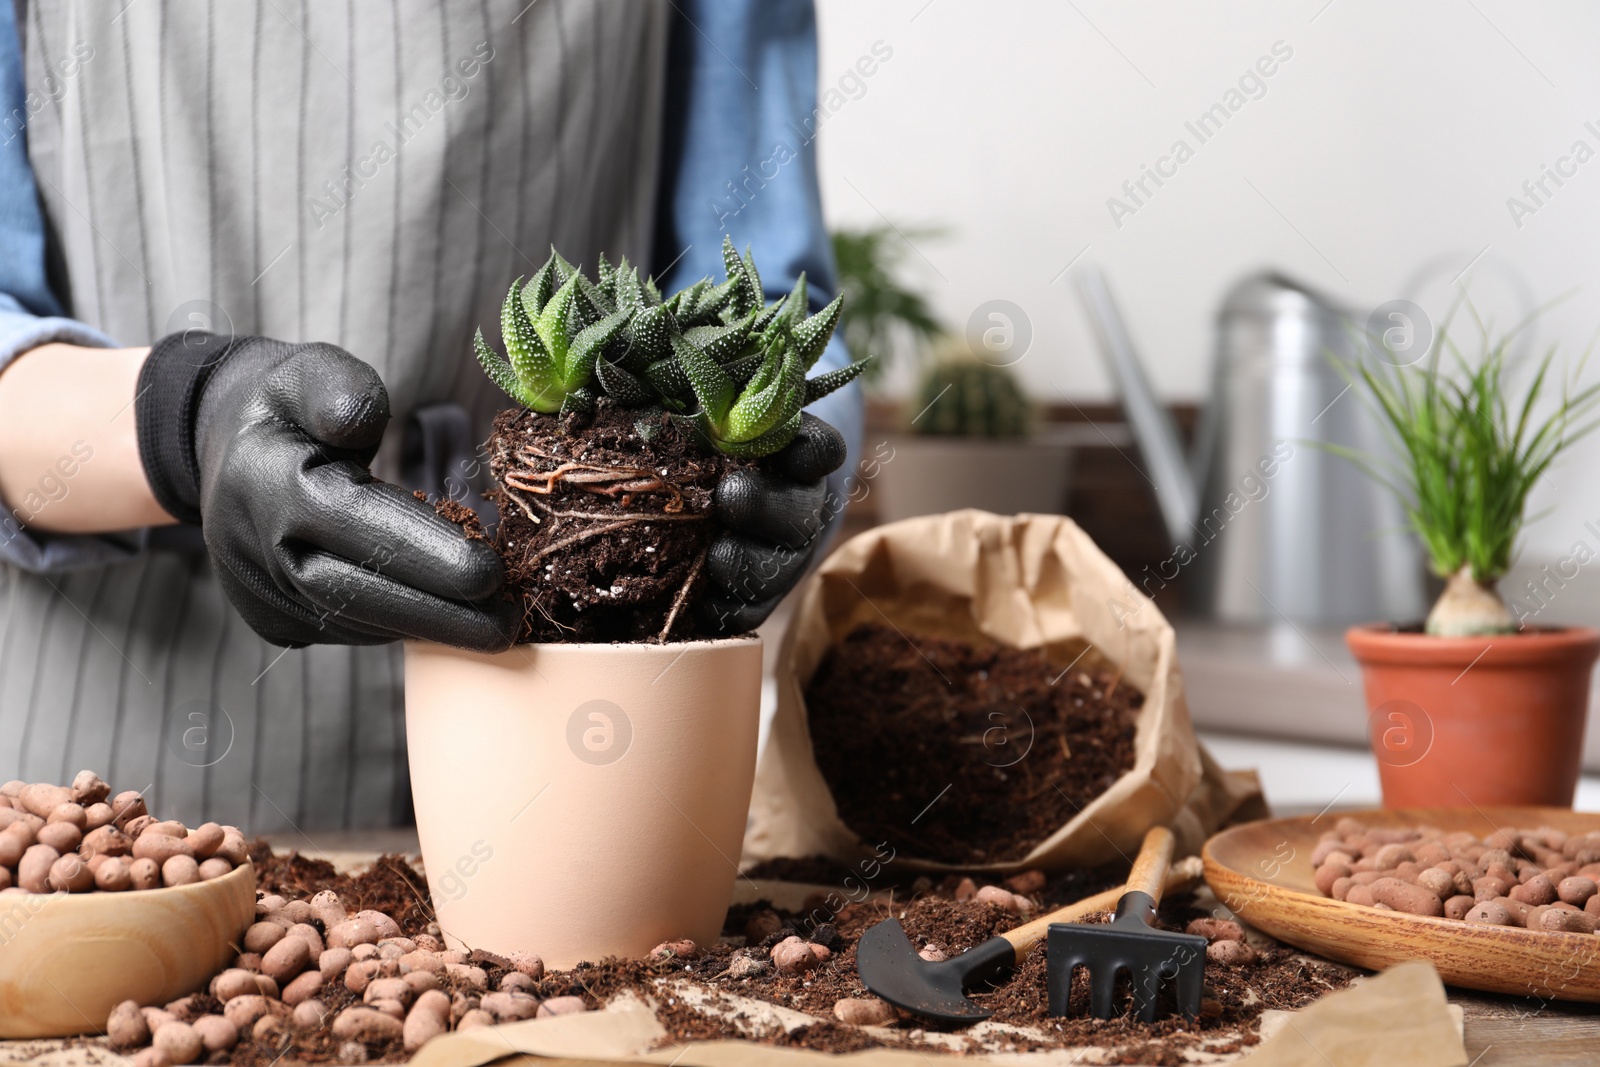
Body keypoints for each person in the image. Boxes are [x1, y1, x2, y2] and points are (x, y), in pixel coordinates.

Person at [0, 0, 862, 831]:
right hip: (131, 753)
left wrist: (769, 469)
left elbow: (765, 288)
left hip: (571, 741)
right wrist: (188, 415)